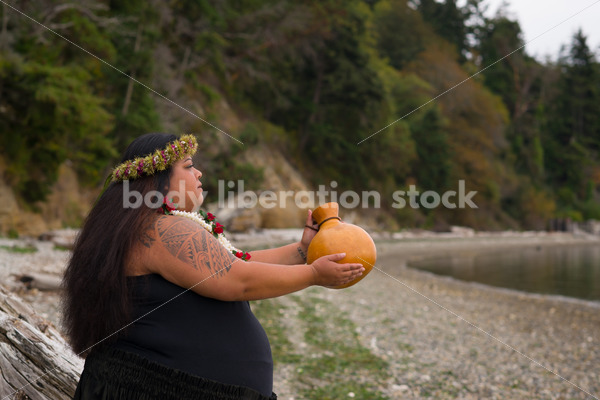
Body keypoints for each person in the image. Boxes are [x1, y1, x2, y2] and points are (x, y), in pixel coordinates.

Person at [62, 133, 364, 400]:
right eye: (189, 166)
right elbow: (236, 280)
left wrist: (302, 251)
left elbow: (232, 262)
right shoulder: (161, 230)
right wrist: (313, 274)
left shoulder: (149, 227)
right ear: (158, 178)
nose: (199, 173)